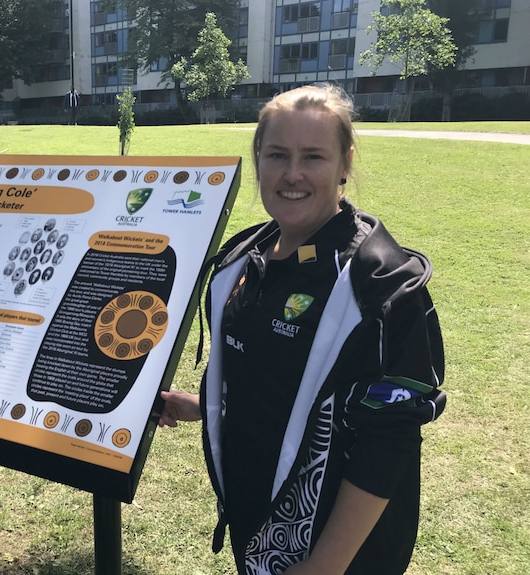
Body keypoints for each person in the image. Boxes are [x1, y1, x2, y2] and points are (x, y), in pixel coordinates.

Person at [159, 84, 446, 575]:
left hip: (341, 555)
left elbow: (391, 441)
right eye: (277, 155)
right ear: (257, 160)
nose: (292, 174)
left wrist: (325, 565)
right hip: (256, 522)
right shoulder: (243, 261)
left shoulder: (380, 284)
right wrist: (200, 406)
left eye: (313, 156)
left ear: (345, 163)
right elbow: (267, 377)